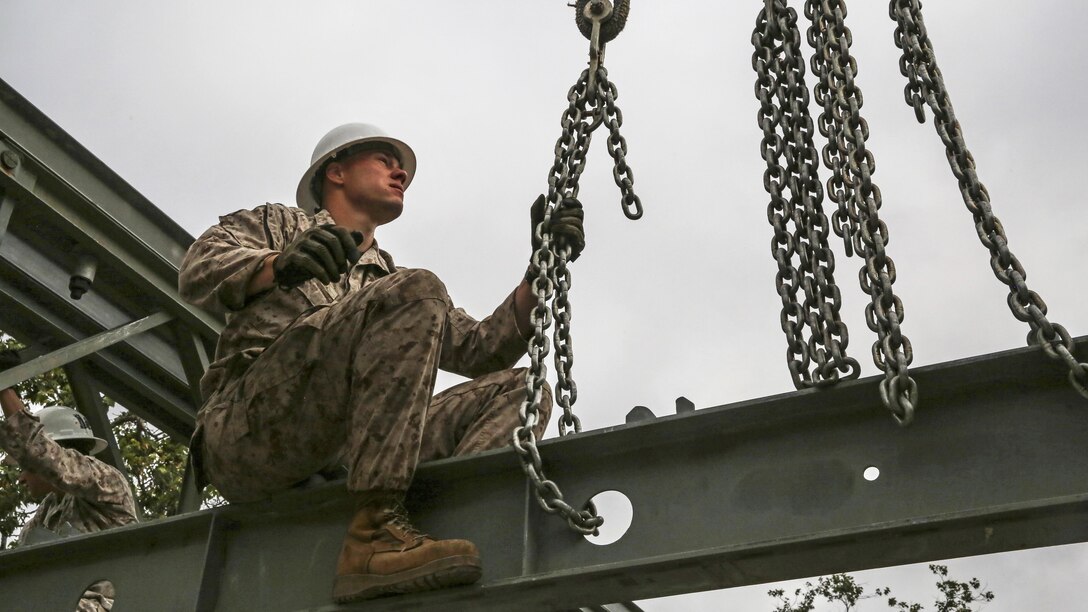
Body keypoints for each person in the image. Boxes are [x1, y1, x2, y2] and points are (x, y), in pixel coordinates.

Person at [178, 123, 585, 603]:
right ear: (336, 171)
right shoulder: (278, 226)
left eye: (404, 169)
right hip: (250, 434)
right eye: (385, 161)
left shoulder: (390, 283)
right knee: (418, 288)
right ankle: (373, 536)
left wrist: (541, 267)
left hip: (344, 456)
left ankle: (439, 544)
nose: (401, 174)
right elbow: (197, 269)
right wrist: (281, 265)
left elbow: (482, 351)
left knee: (515, 390)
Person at [0, 349, 139, 611]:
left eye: (25, 467)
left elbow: (39, 453)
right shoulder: (47, 514)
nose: (20, 478)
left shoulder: (106, 481)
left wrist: (4, 389)